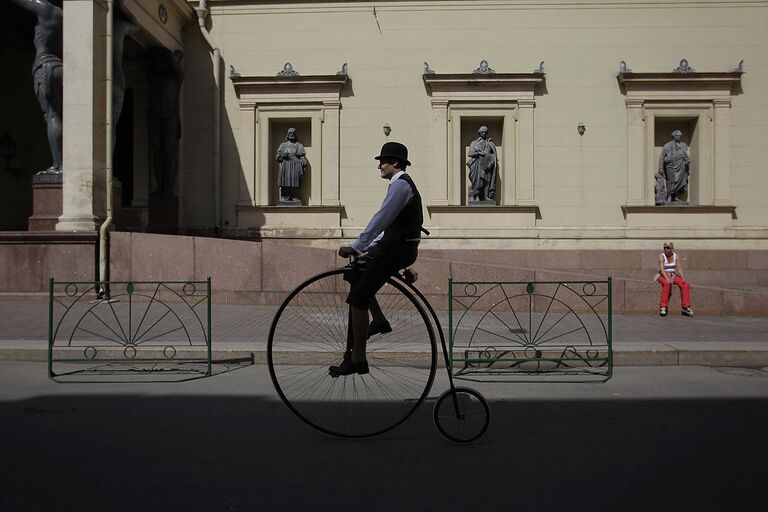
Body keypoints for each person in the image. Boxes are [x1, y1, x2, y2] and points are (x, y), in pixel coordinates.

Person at [331, 142, 423, 376]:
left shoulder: (401, 185)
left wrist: (357, 246)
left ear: (395, 163)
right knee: (355, 273)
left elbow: (381, 219)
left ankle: (358, 358)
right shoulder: (398, 185)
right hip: (393, 248)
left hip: (397, 250)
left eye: (383, 161)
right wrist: (365, 250)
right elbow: (387, 227)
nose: (379, 165)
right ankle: (379, 320)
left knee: (358, 298)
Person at [11, 0, 63, 175]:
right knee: (58, 115)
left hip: (45, 66)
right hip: (59, 66)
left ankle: (58, 166)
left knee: (52, 116)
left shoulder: (48, 10)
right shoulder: (65, 17)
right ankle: (61, 163)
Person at [139, 47, 183, 197]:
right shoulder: (153, 76)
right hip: (154, 117)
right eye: (155, 62)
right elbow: (140, 59)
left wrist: (174, 56)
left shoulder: (175, 76)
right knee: (157, 152)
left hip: (170, 116)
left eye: (160, 61)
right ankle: (160, 187)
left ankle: (169, 188)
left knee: (169, 152)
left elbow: (173, 62)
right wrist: (150, 53)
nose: (157, 65)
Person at [657, 241, 694, 317]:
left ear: (672, 249)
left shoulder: (675, 256)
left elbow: (679, 268)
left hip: (673, 275)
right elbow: (662, 269)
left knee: (685, 284)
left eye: (667, 248)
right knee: (667, 284)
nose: (665, 249)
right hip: (662, 275)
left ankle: (685, 307)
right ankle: (663, 307)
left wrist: (682, 277)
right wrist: (667, 278)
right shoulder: (661, 256)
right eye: (664, 248)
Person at [656, 130, 690, 205]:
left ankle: (675, 197)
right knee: (672, 181)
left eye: (680, 136)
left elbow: (686, 156)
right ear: (673, 136)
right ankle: (669, 196)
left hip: (681, 166)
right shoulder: (667, 145)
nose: (678, 137)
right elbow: (662, 157)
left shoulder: (683, 145)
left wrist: (687, 161)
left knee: (681, 182)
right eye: (677, 135)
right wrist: (660, 168)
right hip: (671, 166)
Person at [275, 128, 308, 203]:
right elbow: (277, 157)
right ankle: (285, 196)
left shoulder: (299, 145)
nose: (292, 134)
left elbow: (302, 156)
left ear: (295, 135)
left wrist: (303, 161)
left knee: (294, 179)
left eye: (293, 133)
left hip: (295, 165)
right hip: (285, 164)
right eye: (290, 133)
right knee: (285, 180)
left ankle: (294, 196)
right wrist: (283, 155)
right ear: (288, 134)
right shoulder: (283, 145)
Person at [466, 126, 497, 203]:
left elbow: (493, 155)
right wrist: (478, 153)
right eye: (482, 132)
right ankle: (476, 196)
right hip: (477, 164)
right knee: (477, 180)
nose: (484, 133)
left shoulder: (489, 143)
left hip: (487, 165)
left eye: (485, 132)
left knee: (487, 181)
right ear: (479, 133)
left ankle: (486, 197)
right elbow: (470, 153)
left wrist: (492, 161)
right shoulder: (474, 143)